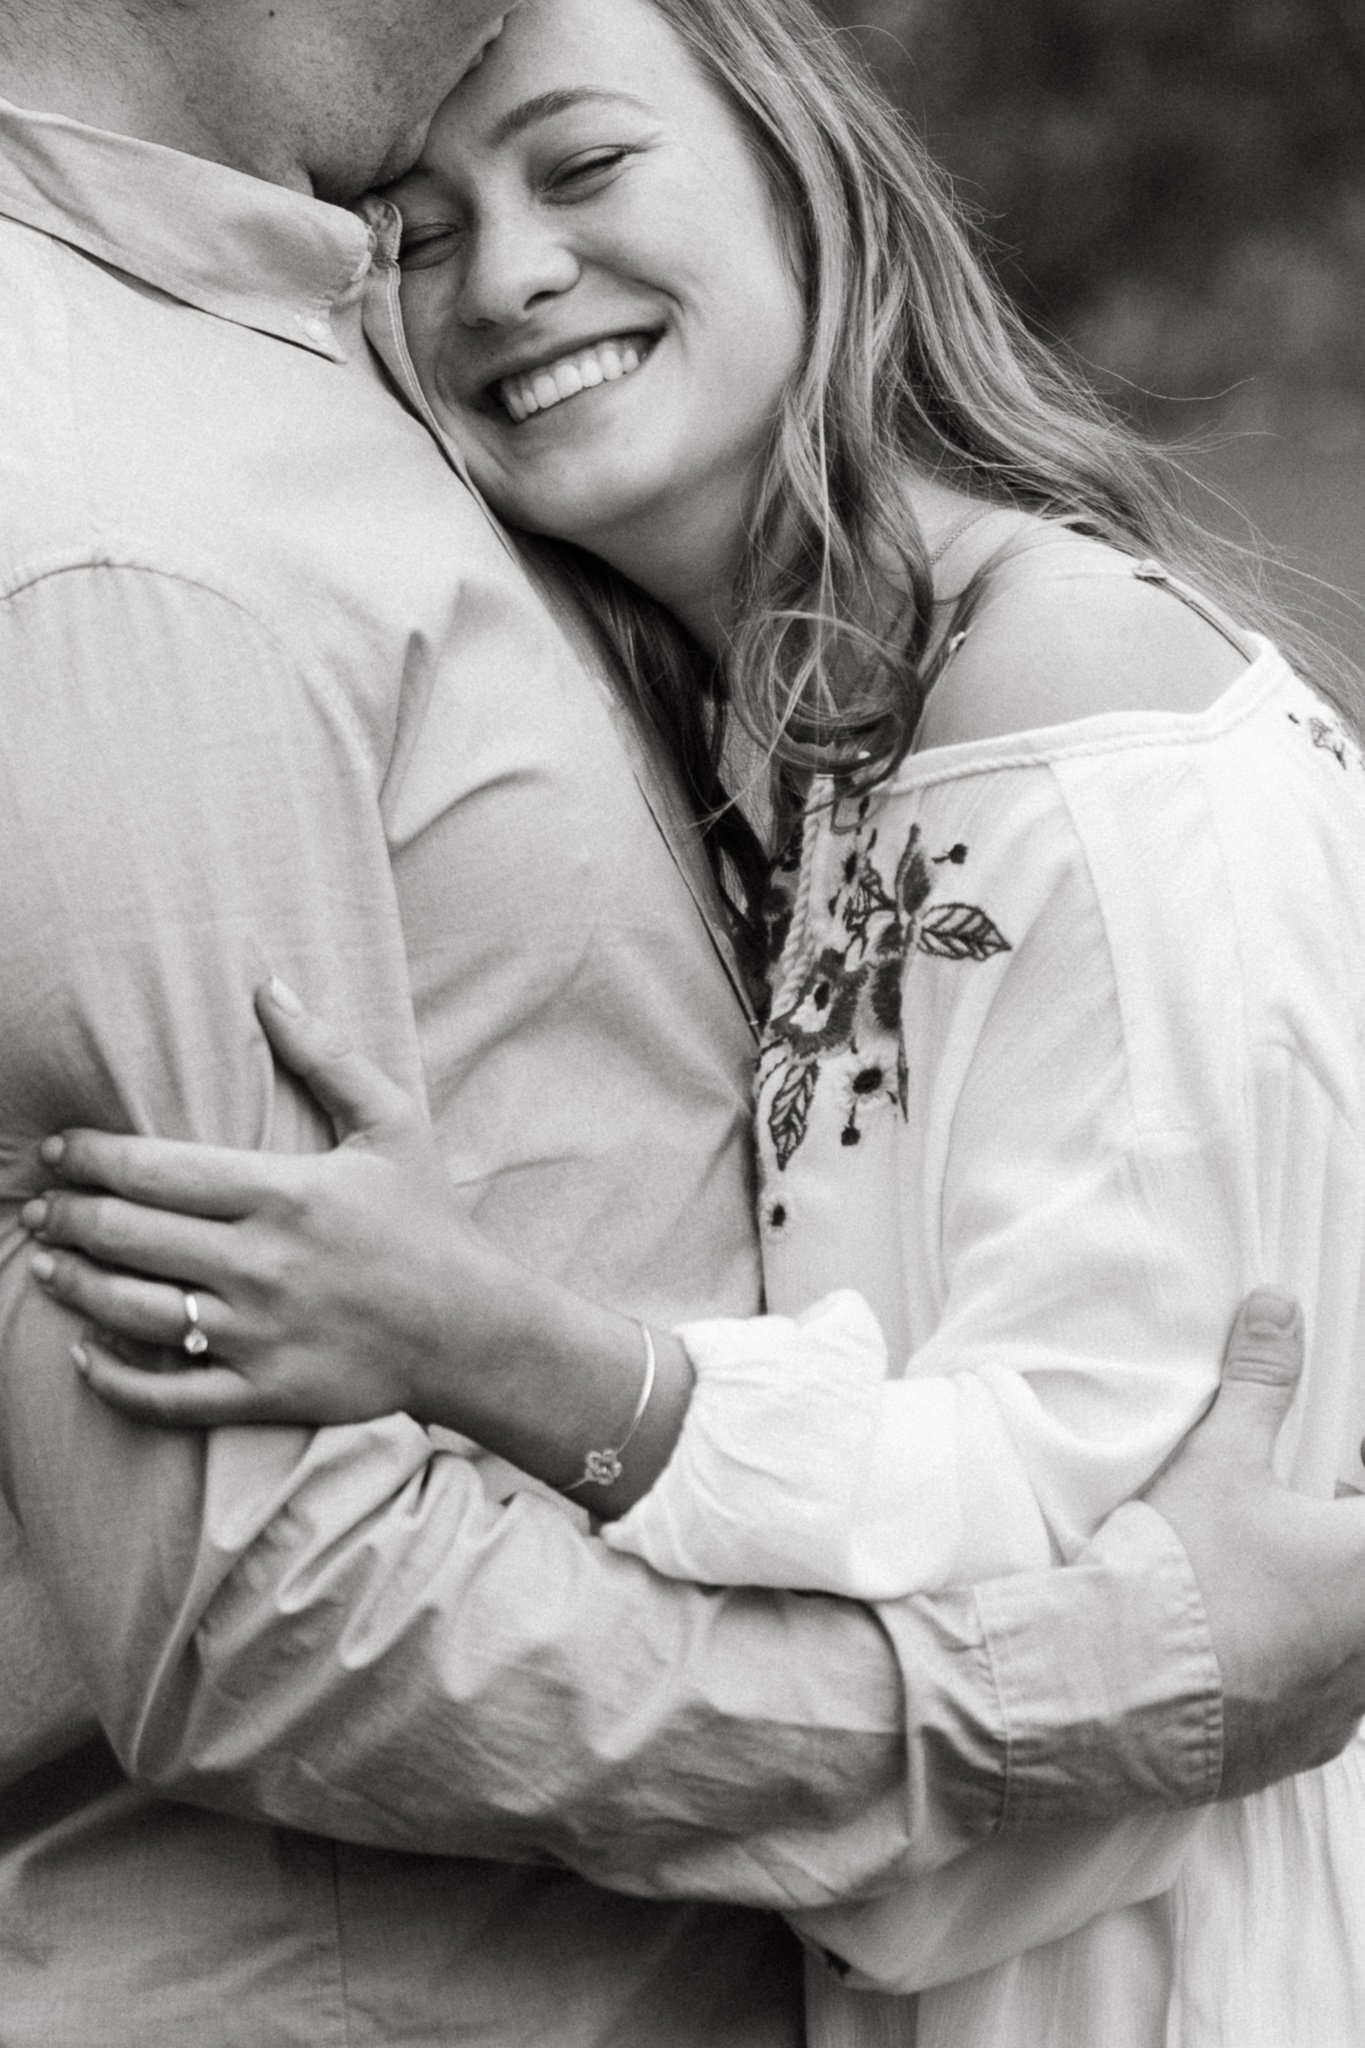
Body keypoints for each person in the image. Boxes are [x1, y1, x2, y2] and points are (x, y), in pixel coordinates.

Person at [0, 7, 1364, 2048]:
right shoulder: (795, 732)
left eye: (583, 167)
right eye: (419, 231)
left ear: (802, 172)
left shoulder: (1071, 734)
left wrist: (501, 1349)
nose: (506, 278)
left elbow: (1140, 1540)